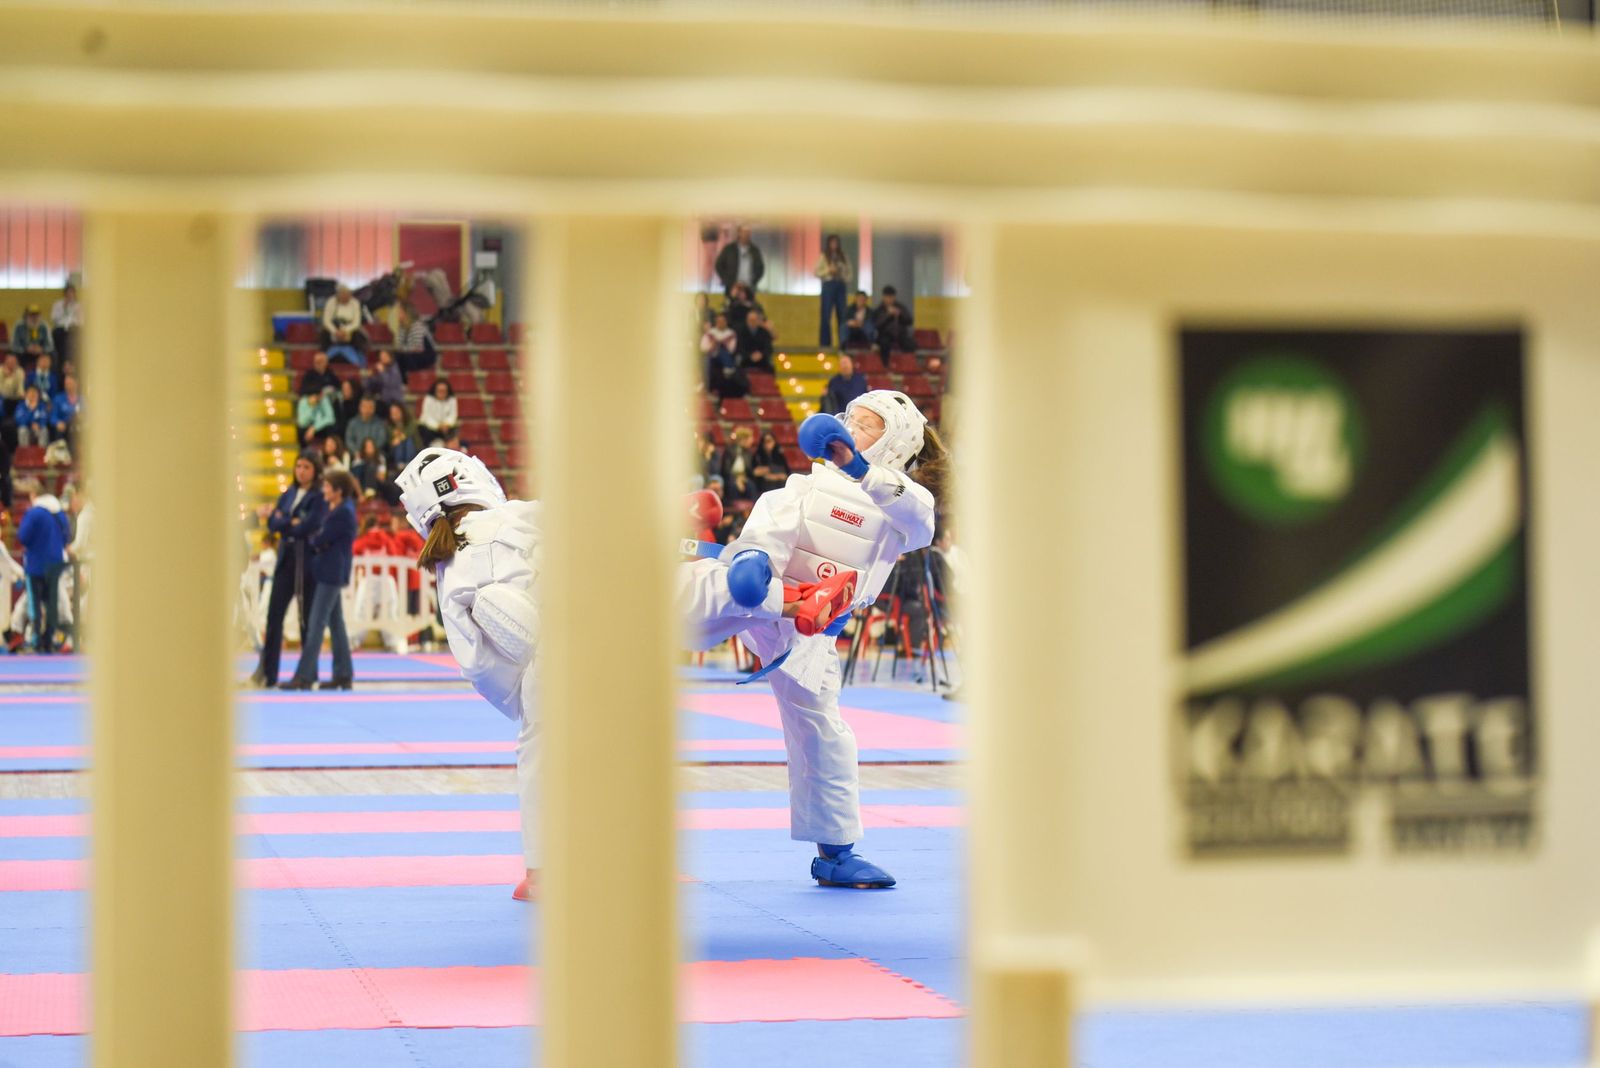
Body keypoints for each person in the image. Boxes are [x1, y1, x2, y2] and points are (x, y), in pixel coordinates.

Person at [677, 390, 949, 889]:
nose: (847, 428)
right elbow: (770, 527)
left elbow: (921, 525)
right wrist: (753, 559)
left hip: (809, 630)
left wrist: (862, 469)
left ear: (894, 445)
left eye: (865, 425)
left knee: (822, 731)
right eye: (849, 418)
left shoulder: (901, 506)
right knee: (702, 597)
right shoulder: (799, 490)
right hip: (771, 597)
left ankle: (836, 854)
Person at [394, 447, 542, 900]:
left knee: (542, 749)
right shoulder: (518, 517)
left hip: (539, 675)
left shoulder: (447, 567)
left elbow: (477, 665)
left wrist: (519, 692)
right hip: (594, 636)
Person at [250, 453, 326, 687]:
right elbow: (274, 523)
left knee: (305, 620)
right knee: (274, 617)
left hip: (306, 561)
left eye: (306, 467)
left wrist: (288, 522)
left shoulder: (318, 497)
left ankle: (306, 674)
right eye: (298, 466)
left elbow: (308, 525)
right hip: (285, 559)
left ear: (315, 470)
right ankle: (267, 673)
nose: (301, 471)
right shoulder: (289, 494)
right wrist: (288, 522)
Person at [282, 469, 359, 691]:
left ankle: (304, 676)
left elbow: (319, 538)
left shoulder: (343, 512)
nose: (324, 489)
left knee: (316, 624)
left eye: (327, 486)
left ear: (338, 491)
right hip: (330, 571)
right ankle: (343, 673)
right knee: (336, 624)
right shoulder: (339, 509)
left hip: (330, 573)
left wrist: (316, 538)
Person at [17, 489, 71, 653]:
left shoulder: (34, 513)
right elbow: (66, 536)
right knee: (52, 603)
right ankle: (49, 639)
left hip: (36, 565)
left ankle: (36, 640)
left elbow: (23, 536)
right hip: (55, 564)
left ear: (34, 495)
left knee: (35, 603)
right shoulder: (59, 512)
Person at [815, 233, 852, 348]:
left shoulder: (843, 257)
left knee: (842, 314)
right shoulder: (824, 256)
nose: (834, 245)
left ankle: (843, 342)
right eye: (832, 242)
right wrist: (828, 271)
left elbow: (849, 274)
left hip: (840, 285)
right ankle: (825, 343)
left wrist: (842, 275)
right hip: (828, 285)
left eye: (836, 242)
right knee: (826, 314)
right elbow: (816, 272)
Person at [702, 313, 747, 399]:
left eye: (723, 321)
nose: (721, 323)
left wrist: (721, 343)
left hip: (726, 356)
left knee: (723, 351)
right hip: (712, 357)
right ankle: (728, 368)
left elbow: (731, 349)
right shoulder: (710, 333)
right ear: (716, 322)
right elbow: (703, 347)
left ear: (726, 322)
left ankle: (729, 368)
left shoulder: (731, 333)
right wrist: (713, 345)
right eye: (719, 321)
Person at [714, 225, 765, 295]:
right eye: (744, 232)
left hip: (749, 288)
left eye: (748, 232)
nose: (747, 234)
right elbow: (718, 265)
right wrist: (728, 281)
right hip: (732, 288)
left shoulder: (755, 251)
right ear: (739, 233)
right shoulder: (729, 249)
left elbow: (760, 268)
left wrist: (753, 281)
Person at [319, 283, 368, 355]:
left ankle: (360, 360)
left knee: (360, 337)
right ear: (338, 295)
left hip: (350, 328)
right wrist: (335, 331)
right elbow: (326, 320)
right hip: (334, 327)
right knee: (324, 334)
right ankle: (323, 356)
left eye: (347, 295)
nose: (345, 298)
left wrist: (345, 331)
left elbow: (356, 322)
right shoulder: (331, 302)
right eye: (343, 295)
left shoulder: (355, 303)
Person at [871, 285, 915, 360]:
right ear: (884, 297)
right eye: (888, 297)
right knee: (884, 344)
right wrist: (888, 315)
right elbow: (877, 325)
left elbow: (909, 321)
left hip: (900, 334)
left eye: (891, 297)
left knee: (910, 344)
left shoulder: (900, 307)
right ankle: (885, 366)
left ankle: (907, 364)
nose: (890, 299)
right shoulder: (879, 309)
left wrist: (900, 315)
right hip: (885, 335)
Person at [394, 303, 437, 373]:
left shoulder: (417, 325)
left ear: (406, 313)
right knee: (397, 356)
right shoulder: (401, 327)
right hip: (412, 352)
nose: (397, 314)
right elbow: (399, 345)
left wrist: (403, 349)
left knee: (408, 357)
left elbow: (417, 347)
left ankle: (412, 378)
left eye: (399, 312)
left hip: (425, 354)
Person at [343, 395, 387, 459]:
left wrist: (372, 450)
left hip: (375, 454)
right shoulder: (353, 423)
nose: (368, 409)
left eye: (371, 407)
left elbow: (382, 439)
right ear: (360, 407)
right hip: (357, 455)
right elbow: (349, 440)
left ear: (374, 408)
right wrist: (356, 451)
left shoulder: (379, 423)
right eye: (365, 406)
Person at [49, 284, 81, 367]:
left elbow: (81, 321)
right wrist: (64, 307)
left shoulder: (78, 306)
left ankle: (72, 362)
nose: (70, 295)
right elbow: (54, 318)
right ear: (65, 294)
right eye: (68, 293)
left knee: (74, 338)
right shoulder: (58, 304)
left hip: (73, 329)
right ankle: (63, 362)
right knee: (58, 335)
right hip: (61, 329)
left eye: (72, 293)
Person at [418, 378, 457, 444]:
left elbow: (453, 415)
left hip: (446, 428)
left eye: (444, 391)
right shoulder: (428, 399)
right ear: (435, 390)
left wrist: (446, 424)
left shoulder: (452, 400)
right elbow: (427, 416)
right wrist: (438, 426)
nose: (442, 393)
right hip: (429, 429)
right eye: (439, 391)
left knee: (455, 431)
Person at [751, 429, 790, 494]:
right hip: (765, 485)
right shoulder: (758, 456)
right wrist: (776, 476)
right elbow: (757, 473)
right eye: (765, 441)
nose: (768, 444)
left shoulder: (779, 455)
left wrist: (776, 476)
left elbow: (786, 472)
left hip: (780, 483)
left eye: (770, 441)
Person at [49, 375, 81, 453]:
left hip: (79, 426)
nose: (67, 385)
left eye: (69, 383)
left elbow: (88, 416)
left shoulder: (82, 399)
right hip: (64, 427)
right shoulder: (58, 398)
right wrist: (57, 422)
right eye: (66, 383)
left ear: (76, 383)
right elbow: (53, 416)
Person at [385, 402, 420, 466]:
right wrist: (393, 442)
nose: (395, 414)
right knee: (399, 442)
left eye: (397, 412)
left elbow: (409, 432)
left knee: (408, 439)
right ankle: (400, 464)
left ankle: (409, 463)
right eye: (393, 413)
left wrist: (400, 437)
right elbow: (389, 441)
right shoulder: (388, 426)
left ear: (402, 411)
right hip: (395, 451)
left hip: (413, 449)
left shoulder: (411, 422)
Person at [331, 378, 361, 442]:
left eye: (348, 388)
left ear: (352, 390)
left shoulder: (357, 402)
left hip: (354, 428)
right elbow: (336, 418)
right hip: (341, 429)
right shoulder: (337, 402)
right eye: (343, 388)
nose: (345, 390)